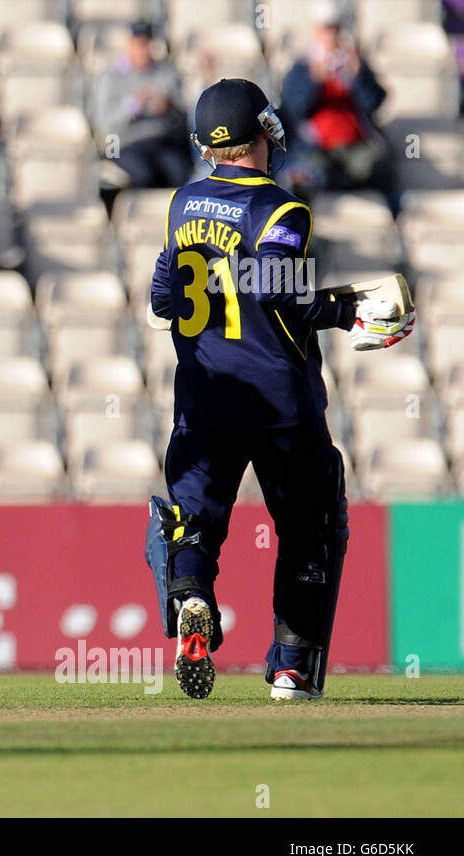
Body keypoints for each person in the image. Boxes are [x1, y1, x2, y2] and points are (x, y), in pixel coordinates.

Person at [144, 78, 413, 702]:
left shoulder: (182, 203)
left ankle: (190, 601)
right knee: (309, 530)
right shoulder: (283, 208)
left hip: (204, 400)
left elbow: (163, 298)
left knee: (190, 525)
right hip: (279, 403)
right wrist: (346, 310)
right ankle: (292, 669)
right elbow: (278, 292)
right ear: (259, 132)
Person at [279, 0, 390, 196]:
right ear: (315, 31)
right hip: (316, 148)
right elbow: (292, 111)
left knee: (377, 164)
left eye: (334, 29)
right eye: (325, 30)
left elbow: (375, 103)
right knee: (310, 172)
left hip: (354, 145)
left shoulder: (354, 65)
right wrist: (314, 81)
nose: (330, 36)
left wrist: (358, 77)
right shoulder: (301, 68)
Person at [91, 20, 189, 189]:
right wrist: (134, 105)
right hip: (124, 143)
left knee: (179, 171)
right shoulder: (111, 77)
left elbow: (183, 118)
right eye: (138, 44)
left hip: (161, 140)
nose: (143, 50)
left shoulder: (165, 73)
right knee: (143, 174)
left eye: (146, 43)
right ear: (129, 45)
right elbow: (103, 122)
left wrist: (168, 108)